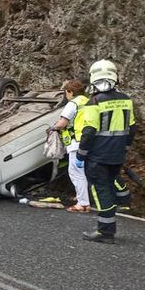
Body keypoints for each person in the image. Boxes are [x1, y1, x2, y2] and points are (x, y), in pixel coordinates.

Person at [77, 60, 136, 244]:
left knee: (100, 190)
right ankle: (123, 202)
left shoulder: (93, 102)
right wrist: (125, 147)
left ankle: (105, 231)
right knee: (110, 184)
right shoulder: (126, 99)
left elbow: (89, 131)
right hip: (117, 154)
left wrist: (81, 154)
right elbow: (132, 127)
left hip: (98, 156)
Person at [48, 79, 91, 213]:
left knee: (76, 172)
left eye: (66, 92)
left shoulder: (73, 103)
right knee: (87, 172)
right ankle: (83, 198)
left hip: (77, 142)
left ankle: (83, 204)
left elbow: (62, 123)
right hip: (91, 141)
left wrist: (53, 128)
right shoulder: (89, 101)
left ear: (70, 92)